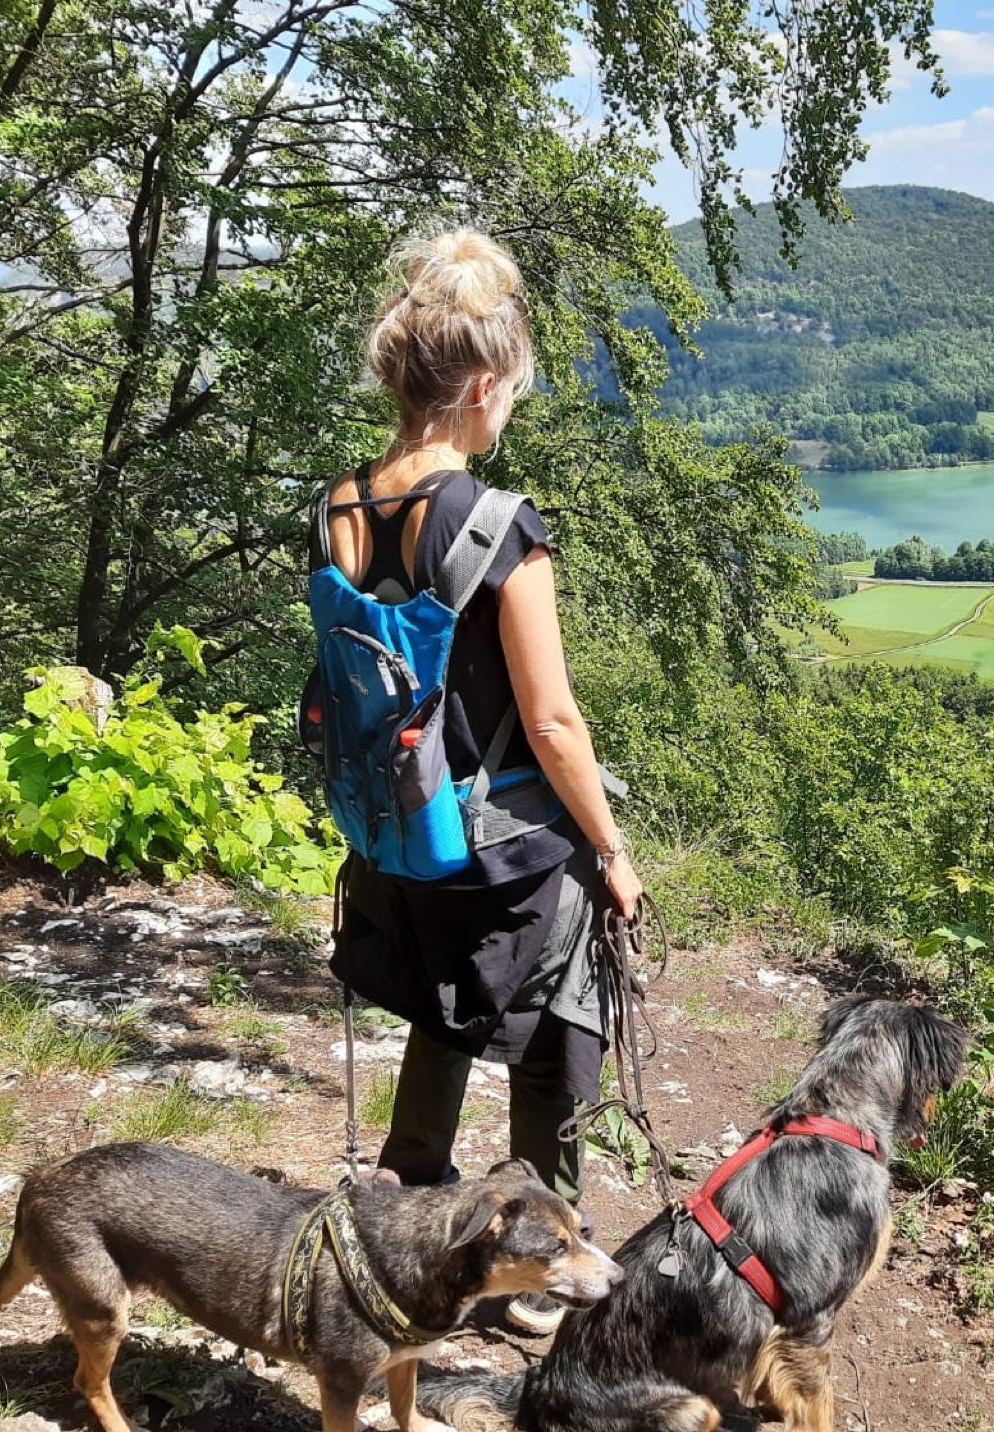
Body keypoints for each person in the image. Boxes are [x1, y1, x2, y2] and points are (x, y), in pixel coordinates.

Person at [316, 227, 641, 1336]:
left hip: (400, 831)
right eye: (513, 391)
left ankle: (407, 1201)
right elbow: (551, 721)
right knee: (558, 1037)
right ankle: (545, 1272)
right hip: (508, 844)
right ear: (484, 385)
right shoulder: (499, 527)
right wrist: (610, 851)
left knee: (445, 1004)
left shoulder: (339, 507)